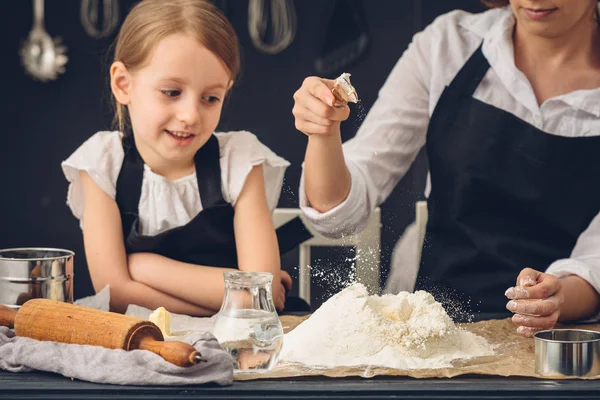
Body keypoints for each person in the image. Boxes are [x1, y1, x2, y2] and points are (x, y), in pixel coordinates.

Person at [292, 0, 600, 336]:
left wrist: (556, 298)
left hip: (565, 338)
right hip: (439, 329)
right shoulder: (450, 45)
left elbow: (595, 258)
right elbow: (339, 216)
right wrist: (323, 134)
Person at [62, 0, 310, 316]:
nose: (190, 115)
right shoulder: (102, 163)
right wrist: (232, 300)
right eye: (171, 92)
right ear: (123, 84)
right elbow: (115, 295)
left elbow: (262, 294)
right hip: (148, 349)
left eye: (210, 98)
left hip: (238, 348)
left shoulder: (239, 159)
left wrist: (146, 267)